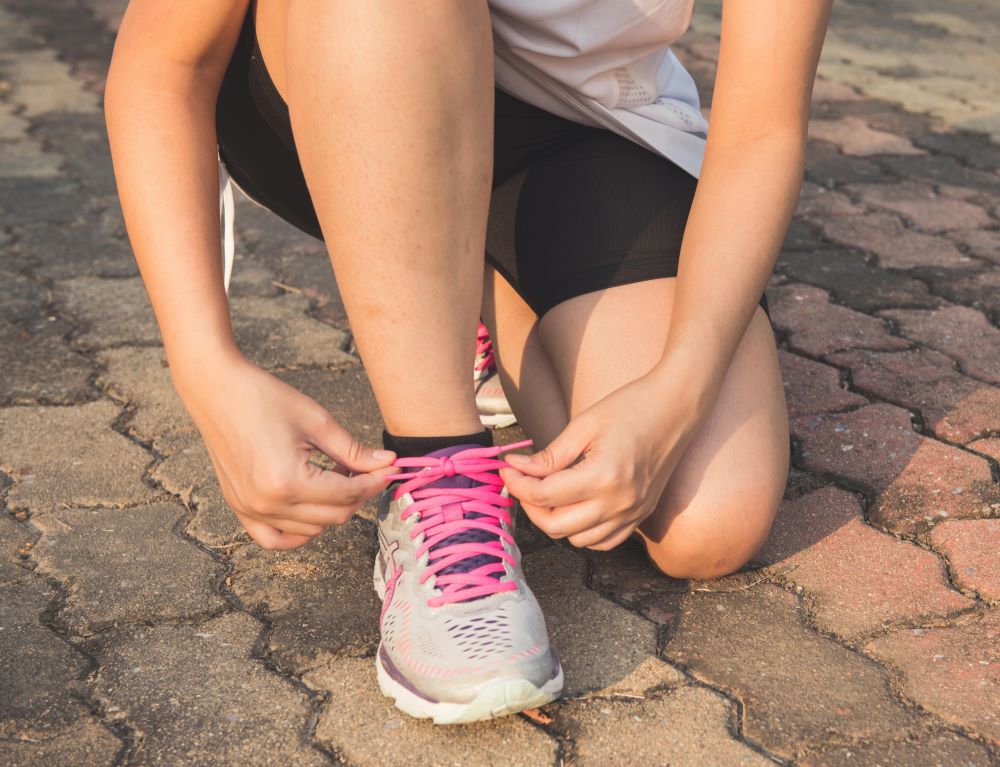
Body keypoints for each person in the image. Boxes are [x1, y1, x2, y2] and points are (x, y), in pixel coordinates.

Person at [105, 0, 831, 723]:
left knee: (708, 517)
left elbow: (763, 126)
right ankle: (437, 472)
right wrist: (205, 366)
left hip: (583, 121)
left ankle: (450, 287)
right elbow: (163, 65)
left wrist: (679, 389)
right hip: (342, 58)